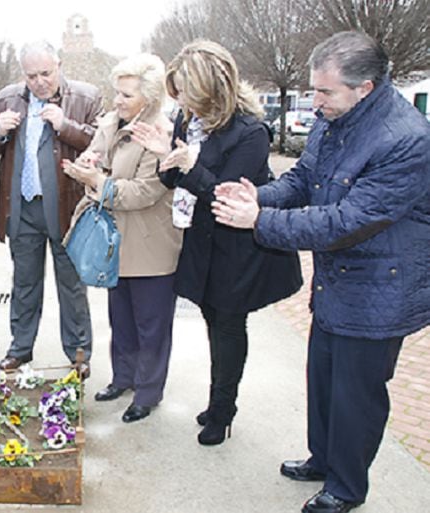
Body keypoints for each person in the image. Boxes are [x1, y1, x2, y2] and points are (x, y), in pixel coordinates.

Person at [213, 31, 430, 513]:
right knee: (324, 380)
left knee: (357, 396)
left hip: (380, 288)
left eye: (325, 92)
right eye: (314, 89)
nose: (316, 102)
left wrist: (261, 222)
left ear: (365, 87)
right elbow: (301, 180)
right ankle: (323, 458)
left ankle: (347, 488)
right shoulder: (334, 120)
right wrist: (257, 196)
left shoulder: (407, 140)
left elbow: (349, 221)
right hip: (339, 284)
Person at [132, 40, 302, 443]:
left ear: (212, 87)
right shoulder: (187, 122)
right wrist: (164, 157)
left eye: (187, 91)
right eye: (178, 92)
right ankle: (217, 401)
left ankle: (223, 412)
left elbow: (225, 193)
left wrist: (191, 164)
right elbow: (175, 181)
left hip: (238, 247)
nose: (181, 101)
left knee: (227, 326)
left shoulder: (250, 132)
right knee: (213, 320)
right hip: (202, 241)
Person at [64, 54, 183, 423]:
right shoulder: (111, 122)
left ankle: (147, 393)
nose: (117, 100)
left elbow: (145, 192)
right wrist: (87, 165)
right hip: (115, 242)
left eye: (126, 95)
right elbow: (94, 156)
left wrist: (95, 182)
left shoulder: (160, 132)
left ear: (148, 97)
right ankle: (123, 378)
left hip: (150, 243)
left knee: (152, 324)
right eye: (117, 92)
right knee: (122, 318)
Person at [0, 41, 103, 376]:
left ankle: (78, 353)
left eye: (46, 73)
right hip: (22, 208)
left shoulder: (86, 97)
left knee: (72, 285)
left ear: (59, 65)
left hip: (68, 209)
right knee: (24, 284)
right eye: (31, 75)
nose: (39, 82)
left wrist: (66, 125)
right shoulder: (7, 98)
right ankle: (20, 349)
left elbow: (102, 144)